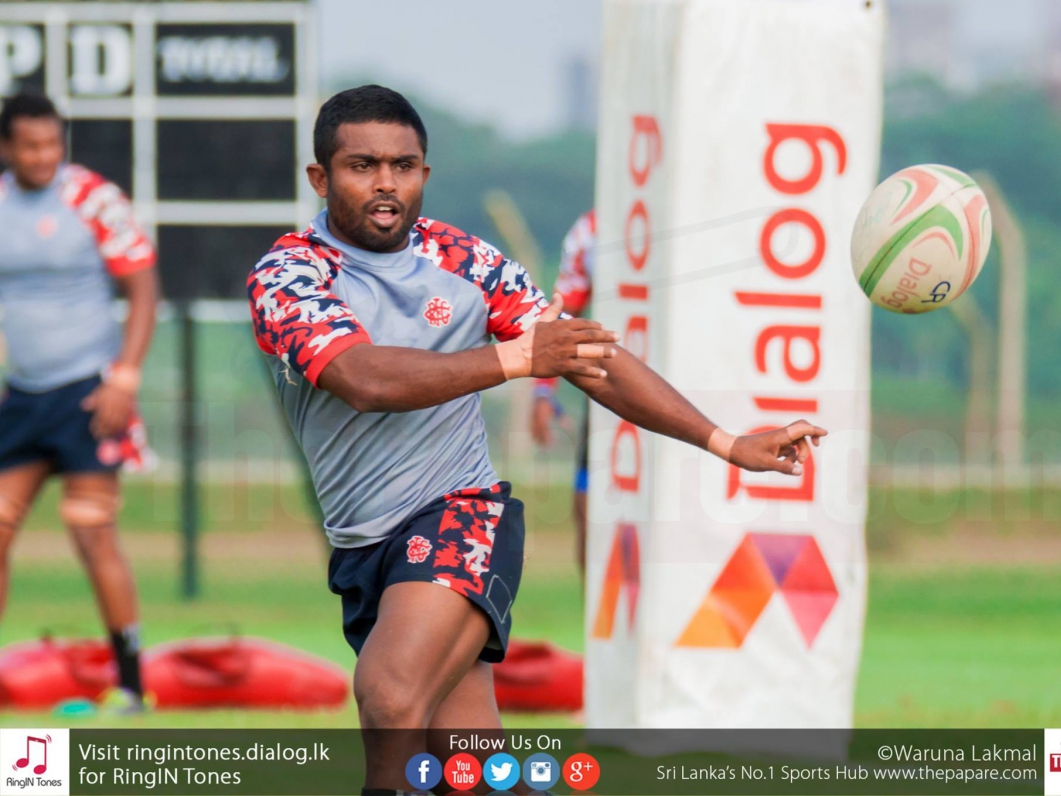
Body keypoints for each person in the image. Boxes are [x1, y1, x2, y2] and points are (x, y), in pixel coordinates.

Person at [247, 85, 824, 793]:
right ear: (321, 177)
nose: (386, 183)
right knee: (471, 765)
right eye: (362, 166)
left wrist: (726, 442)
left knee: (389, 696)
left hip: (460, 517)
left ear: (425, 173)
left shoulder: (467, 262)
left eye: (403, 165)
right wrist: (518, 357)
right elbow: (363, 378)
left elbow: (587, 357)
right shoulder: (290, 275)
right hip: (363, 544)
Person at [0, 93, 157, 709]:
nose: (43, 156)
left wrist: (124, 379)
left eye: (52, 144)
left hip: (89, 394)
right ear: (7, 148)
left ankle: (131, 686)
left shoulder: (94, 198)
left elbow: (143, 291)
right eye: (30, 146)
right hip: (23, 395)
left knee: (91, 532)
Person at [531, 208, 594, 571]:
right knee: (588, 512)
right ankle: (596, 606)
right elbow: (562, 313)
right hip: (614, 403)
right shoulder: (592, 229)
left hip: (685, 396)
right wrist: (543, 390)